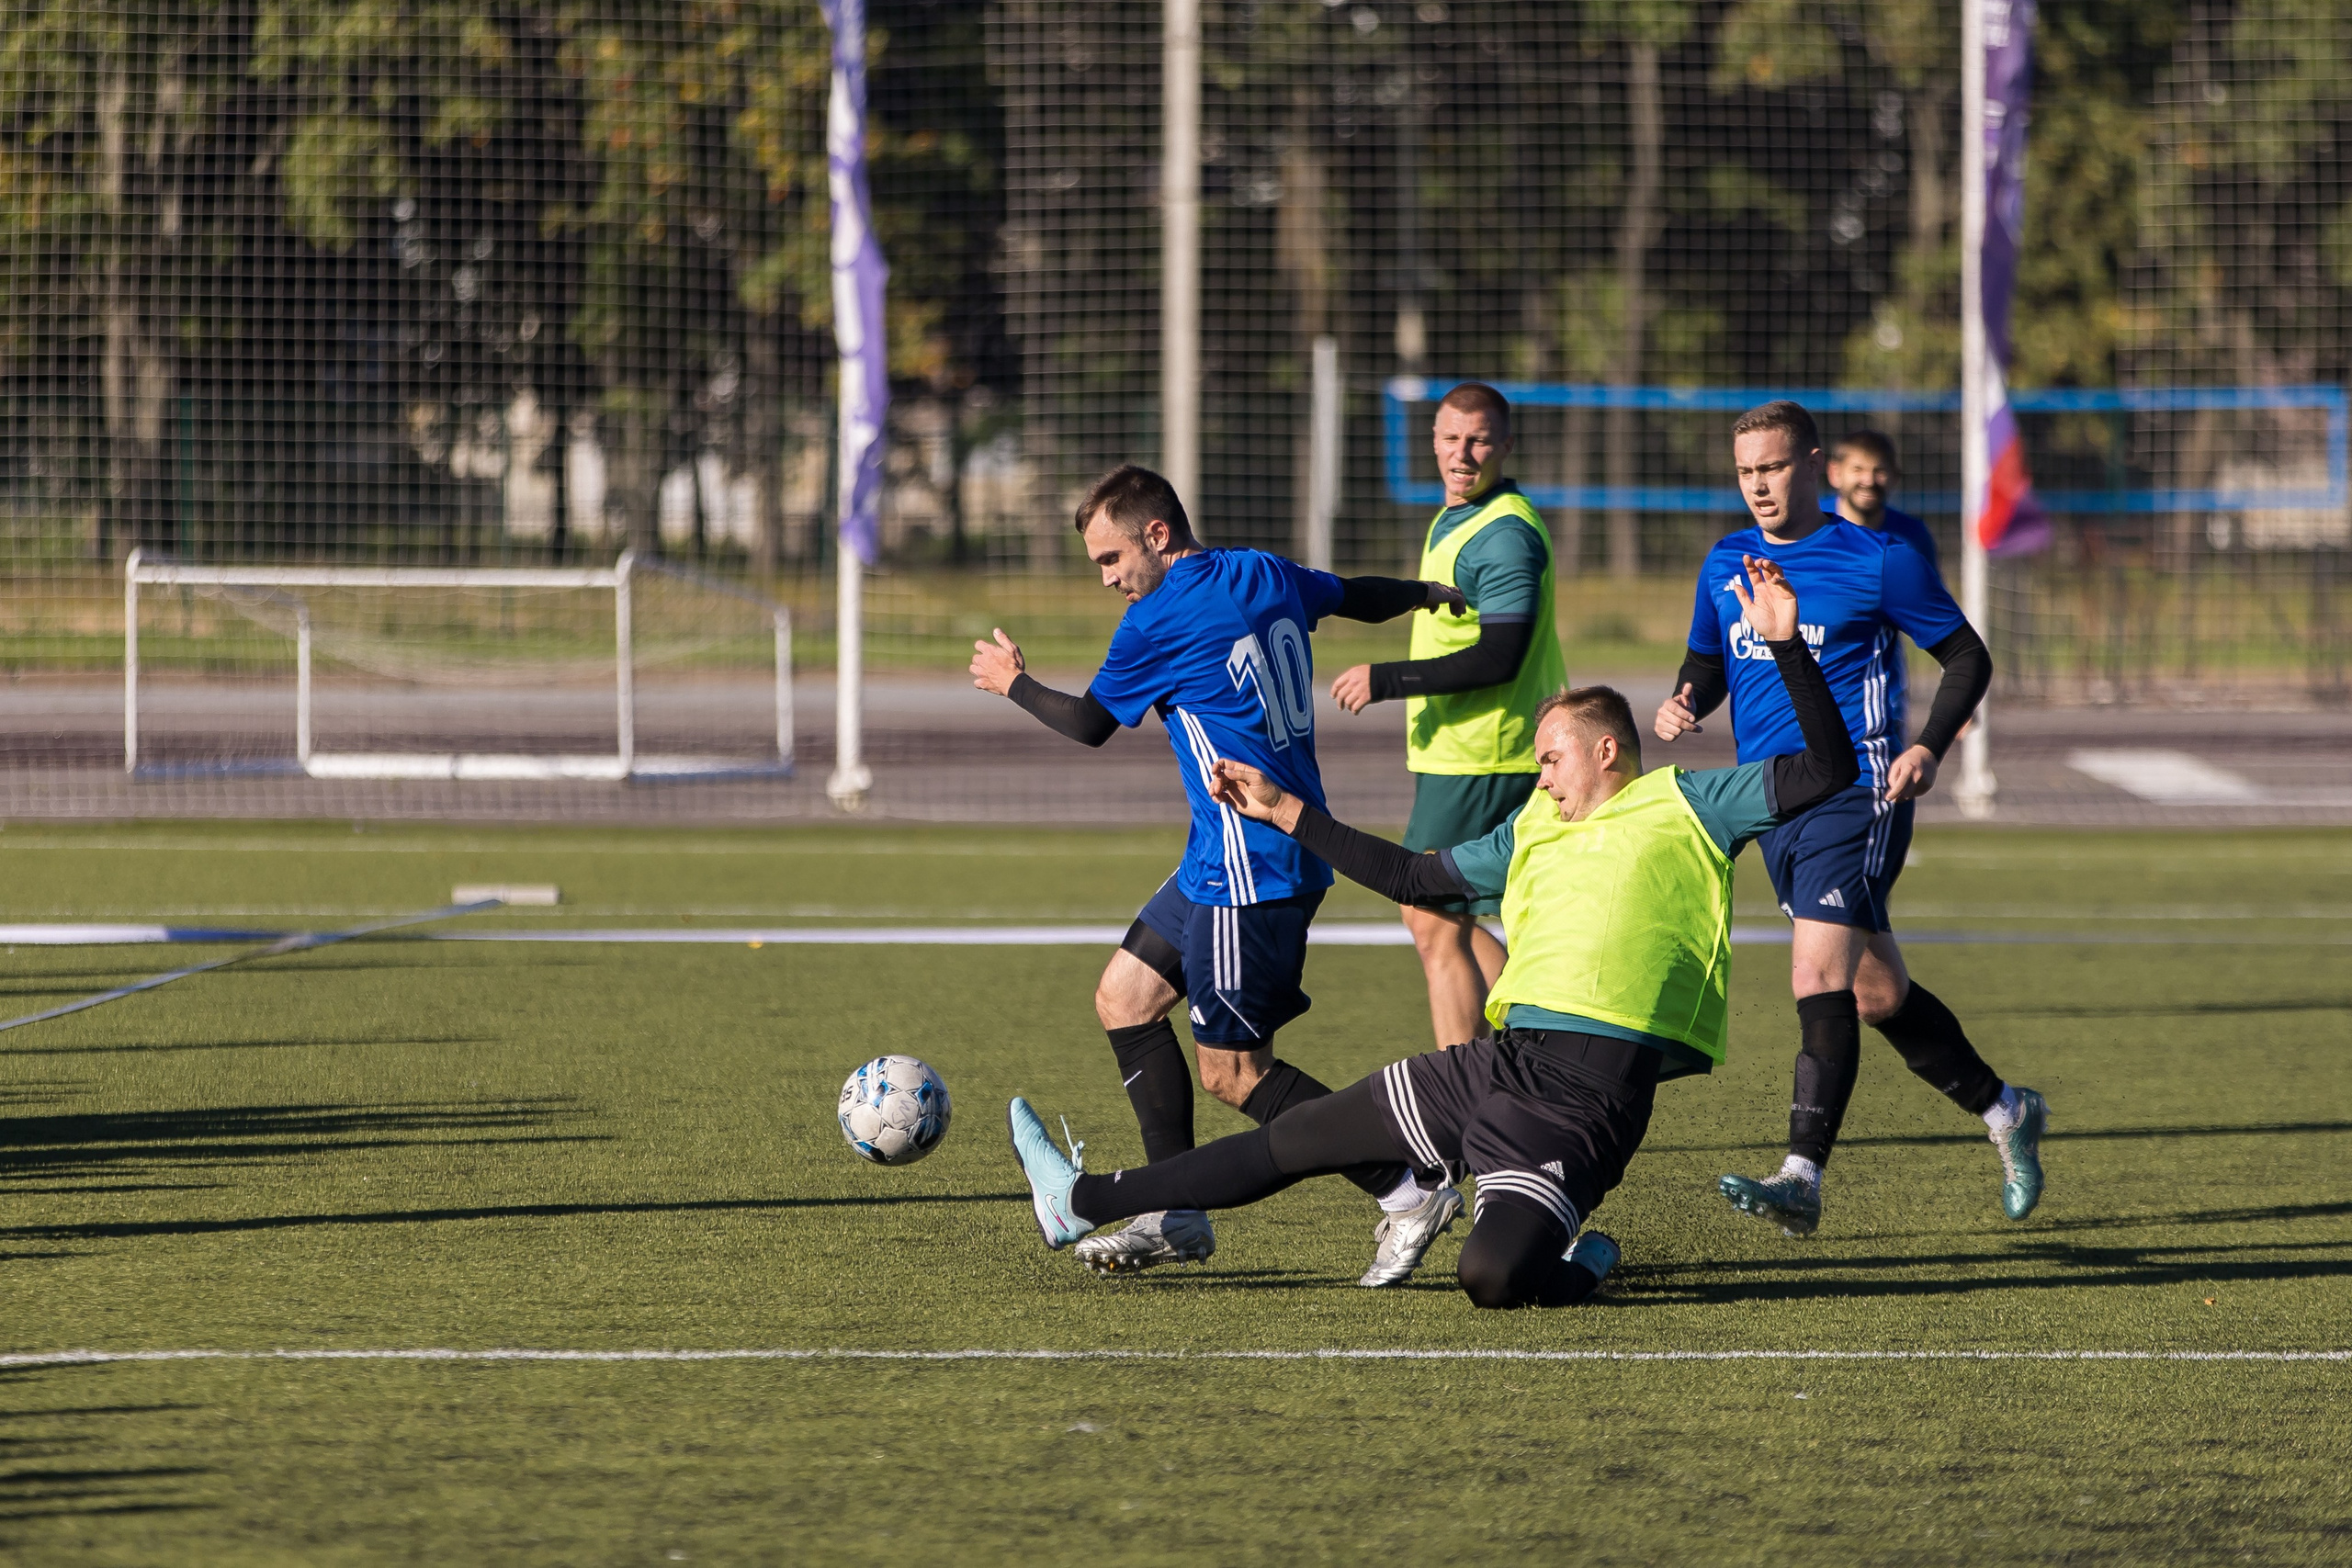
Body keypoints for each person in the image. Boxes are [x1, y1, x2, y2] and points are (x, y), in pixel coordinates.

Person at [1005, 556, 1856, 1309]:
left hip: (1586, 1104)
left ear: (1607, 752)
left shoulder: (1689, 804)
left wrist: (1787, 645)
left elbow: (1827, 768)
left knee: (1490, 1278)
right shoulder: (1531, 827)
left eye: (1551, 756)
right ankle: (1080, 1198)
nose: (1541, 773)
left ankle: (1585, 1263)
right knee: (1290, 1139)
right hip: (1498, 1062)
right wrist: (1285, 809)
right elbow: (1415, 877)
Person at [969, 463, 1466, 1284]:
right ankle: (1175, 1214)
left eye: (1110, 559)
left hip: (1253, 869)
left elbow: (1092, 724)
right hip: (1228, 853)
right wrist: (1421, 594)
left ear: (1157, 536)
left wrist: (1012, 682)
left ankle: (1406, 1185)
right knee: (1123, 997)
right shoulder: (1261, 570)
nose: (1107, 580)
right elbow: (1350, 593)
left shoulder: (1157, 618)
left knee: (1235, 1073)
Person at [1654, 400, 2046, 1237]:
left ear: (1815, 465)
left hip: (1863, 791)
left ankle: (1802, 1175)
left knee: (1815, 975)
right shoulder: (1725, 560)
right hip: (1774, 802)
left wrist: (1931, 747)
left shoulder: (1877, 560)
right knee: (1875, 993)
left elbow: (1967, 655)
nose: (1759, 484)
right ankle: (2008, 1109)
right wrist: (1687, 699)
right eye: (1746, 471)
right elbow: (1707, 658)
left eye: (1774, 466)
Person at [1329, 382, 1568, 1048]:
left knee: (1433, 920)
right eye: (1450, 438)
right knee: (1445, 920)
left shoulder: (1505, 535)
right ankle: (1532, 1043)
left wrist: (1388, 678)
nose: (1462, 453)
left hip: (1486, 754)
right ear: (1431, 441)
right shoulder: (1458, 512)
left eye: (1479, 439)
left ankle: (1459, 1109)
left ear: (1506, 445)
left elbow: (1502, 655)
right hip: (1464, 754)